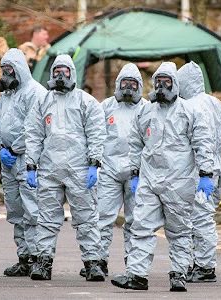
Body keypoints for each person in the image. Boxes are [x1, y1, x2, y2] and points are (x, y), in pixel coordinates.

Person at [111, 62, 215, 292]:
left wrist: (206, 173)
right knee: (141, 227)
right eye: (158, 82)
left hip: (179, 182)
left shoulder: (189, 112)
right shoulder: (146, 111)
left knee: (179, 231)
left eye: (167, 82)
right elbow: (136, 142)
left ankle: (179, 274)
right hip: (149, 181)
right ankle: (137, 275)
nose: (161, 87)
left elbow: (203, 144)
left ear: (175, 84)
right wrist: (135, 172)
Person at [25, 54, 106, 282]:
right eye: (57, 71)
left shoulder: (85, 101)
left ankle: (93, 264)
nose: (61, 76)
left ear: (73, 73)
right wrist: (31, 164)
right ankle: (43, 263)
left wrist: (94, 163)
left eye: (66, 71)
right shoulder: (42, 101)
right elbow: (33, 134)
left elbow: (96, 133)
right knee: (47, 220)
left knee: (87, 219)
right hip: (50, 169)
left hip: (79, 170)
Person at [79, 63, 148, 278]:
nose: (128, 88)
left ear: (140, 86)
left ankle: (133, 263)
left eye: (133, 84)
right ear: (118, 84)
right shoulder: (106, 106)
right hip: (109, 168)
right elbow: (96, 135)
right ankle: (98, 261)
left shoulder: (146, 108)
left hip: (136, 171)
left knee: (135, 220)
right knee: (102, 216)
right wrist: (94, 163)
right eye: (124, 83)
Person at [0, 48, 47, 276]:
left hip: (28, 160)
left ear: (20, 69)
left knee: (32, 209)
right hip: (8, 161)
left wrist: (14, 148)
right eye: (3, 70)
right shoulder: (7, 96)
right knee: (15, 210)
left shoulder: (35, 92)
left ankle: (36, 256)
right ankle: (23, 257)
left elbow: (34, 128)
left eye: (9, 69)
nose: (5, 74)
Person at [177, 61, 221, 283]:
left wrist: (203, 171)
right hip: (216, 165)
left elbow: (200, 142)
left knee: (200, 218)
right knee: (203, 216)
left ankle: (205, 267)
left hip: (201, 169)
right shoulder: (215, 103)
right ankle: (201, 263)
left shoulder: (190, 107)